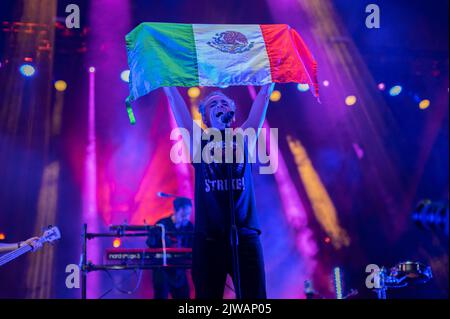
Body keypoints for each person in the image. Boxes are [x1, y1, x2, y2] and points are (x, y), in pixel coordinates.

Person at [163, 83, 274, 299]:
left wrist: (271, 79)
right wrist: (165, 82)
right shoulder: (198, 141)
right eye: (214, 103)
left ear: (231, 115)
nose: (220, 105)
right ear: (205, 117)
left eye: (224, 102)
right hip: (209, 239)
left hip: (245, 236)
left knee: (255, 299)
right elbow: (176, 104)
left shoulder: (244, 138)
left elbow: (264, 97)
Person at [147, 197, 194, 299]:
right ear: (175, 211)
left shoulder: (189, 227)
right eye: (183, 215)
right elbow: (151, 244)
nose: (186, 217)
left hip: (179, 271)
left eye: (188, 214)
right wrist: (154, 234)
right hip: (162, 269)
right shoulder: (162, 224)